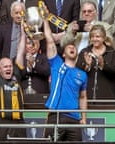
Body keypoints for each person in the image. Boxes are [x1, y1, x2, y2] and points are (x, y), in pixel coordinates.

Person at [43, 8, 88, 141]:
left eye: (74, 47)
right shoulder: (57, 64)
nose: (72, 47)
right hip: (56, 115)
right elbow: (49, 40)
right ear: (63, 54)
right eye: (69, 46)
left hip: (74, 118)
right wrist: (45, 19)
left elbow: (83, 97)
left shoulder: (82, 74)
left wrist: (84, 118)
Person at [0, 24, 27, 141]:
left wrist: (23, 32)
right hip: (3, 122)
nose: (8, 68)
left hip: (19, 122)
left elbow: (21, 51)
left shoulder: (16, 74)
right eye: (5, 66)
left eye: (10, 66)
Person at [76, 24, 115, 99]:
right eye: (92, 37)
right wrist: (86, 66)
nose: (94, 39)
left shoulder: (112, 53)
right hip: (86, 96)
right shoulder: (84, 52)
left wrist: (103, 65)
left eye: (97, 36)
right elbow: (77, 73)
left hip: (106, 96)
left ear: (103, 38)